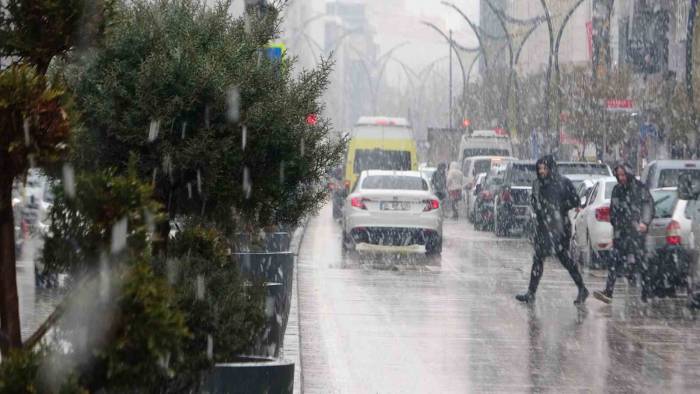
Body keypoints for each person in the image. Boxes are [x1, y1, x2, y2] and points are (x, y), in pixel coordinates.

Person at [516, 155, 589, 305]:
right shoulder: (537, 184)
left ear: (550, 168)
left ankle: (582, 288)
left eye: (544, 168)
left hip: (559, 226)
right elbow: (534, 200)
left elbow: (575, 200)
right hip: (543, 226)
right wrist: (538, 208)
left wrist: (559, 208)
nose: (541, 171)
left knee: (564, 258)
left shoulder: (563, 183)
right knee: (538, 259)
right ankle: (531, 292)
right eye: (539, 169)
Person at [593, 163, 655, 304]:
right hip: (621, 233)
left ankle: (646, 293)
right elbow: (613, 209)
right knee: (614, 261)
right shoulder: (617, 189)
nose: (621, 178)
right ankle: (609, 291)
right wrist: (615, 222)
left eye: (623, 175)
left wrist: (644, 222)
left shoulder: (640, 188)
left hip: (636, 234)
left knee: (641, 262)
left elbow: (648, 205)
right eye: (618, 175)